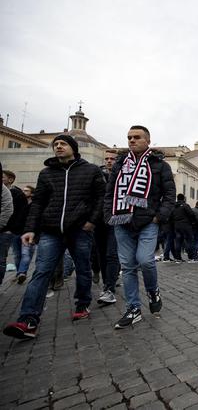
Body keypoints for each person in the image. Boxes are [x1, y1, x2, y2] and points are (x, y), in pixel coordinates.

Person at [4, 135, 105, 339]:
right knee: (41, 271)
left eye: (63, 144)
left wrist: (91, 221)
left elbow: (101, 198)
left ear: (73, 148)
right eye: (56, 144)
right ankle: (28, 320)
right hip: (50, 230)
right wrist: (30, 228)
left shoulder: (90, 170)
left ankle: (83, 303)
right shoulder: (46, 173)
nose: (58, 146)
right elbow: (38, 203)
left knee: (83, 268)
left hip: (80, 229)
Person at [104, 125, 176, 329]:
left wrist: (158, 217)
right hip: (121, 221)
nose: (132, 141)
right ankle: (133, 308)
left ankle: (153, 291)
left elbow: (169, 195)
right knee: (127, 267)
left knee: (145, 260)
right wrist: (109, 215)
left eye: (137, 137)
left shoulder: (160, 165)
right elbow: (110, 192)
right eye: (129, 137)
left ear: (148, 141)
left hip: (147, 221)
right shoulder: (120, 164)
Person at [96, 149, 120, 305]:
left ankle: (109, 287)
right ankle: (107, 281)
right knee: (101, 254)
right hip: (98, 220)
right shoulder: (97, 175)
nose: (109, 161)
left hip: (116, 219)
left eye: (112, 158)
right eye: (107, 158)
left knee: (111, 253)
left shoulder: (122, 176)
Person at [1, 170, 29, 285]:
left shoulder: (16, 193)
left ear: (10, 179)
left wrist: (10, 228)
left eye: (2, 177)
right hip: (11, 230)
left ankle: (21, 272)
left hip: (12, 230)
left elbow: (19, 213)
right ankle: (20, 273)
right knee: (18, 254)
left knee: (22, 253)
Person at [171, 194, 198, 263]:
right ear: (184, 199)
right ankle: (191, 258)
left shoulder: (174, 206)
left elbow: (171, 216)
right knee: (189, 241)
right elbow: (191, 214)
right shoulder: (185, 205)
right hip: (186, 225)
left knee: (178, 242)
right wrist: (193, 222)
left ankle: (178, 258)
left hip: (177, 225)